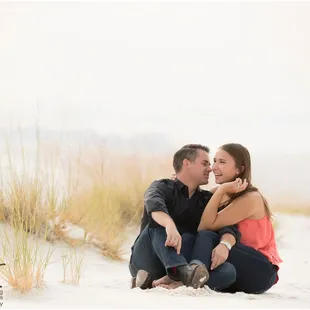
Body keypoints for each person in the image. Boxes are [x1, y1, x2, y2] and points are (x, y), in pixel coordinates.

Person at [167, 143, 282, 294]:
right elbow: (194, 206)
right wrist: (181, 183)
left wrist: (220, 191)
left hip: (260, 269)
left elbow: (205, 226)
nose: (214, 167)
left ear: (239, 170)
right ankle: (185, 278)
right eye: (214, 161)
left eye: (222, 162)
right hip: (234, 264)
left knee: (206, 235)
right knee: (189, 238)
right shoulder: (221, 192)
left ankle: (188, 277)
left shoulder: (251, 198)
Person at [129, 144, 241, 291]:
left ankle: (166, 282)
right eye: (205, 164)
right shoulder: (161, 186)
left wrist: (224, 245)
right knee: (158, 226)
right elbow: (154, 206)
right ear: (186, 163)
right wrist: (169, 225)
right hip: (148, 259)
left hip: (182, 262)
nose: (210, 169)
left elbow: (228, 226)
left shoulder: (207, 200)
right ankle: (183, 273)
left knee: (228, 272)